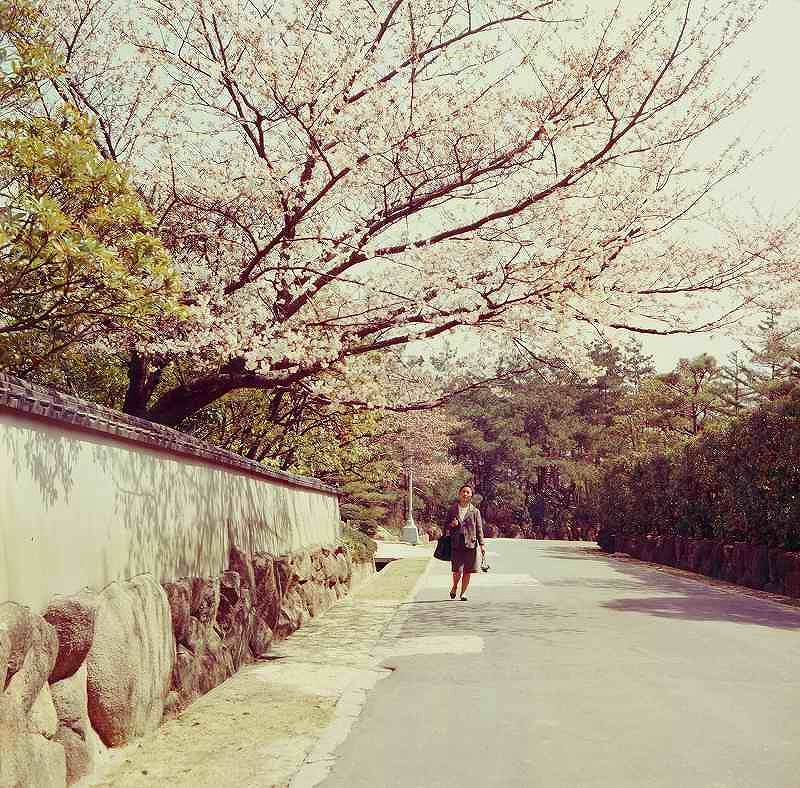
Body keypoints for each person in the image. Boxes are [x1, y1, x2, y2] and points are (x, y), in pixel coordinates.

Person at [443, 483, 485, 601]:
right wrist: (452, 524)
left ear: (471, 496)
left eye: (468, 492)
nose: (465, 494)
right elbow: (445, 526)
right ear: (459, 494)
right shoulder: (452, 510)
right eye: (463, 492)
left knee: (468, 570)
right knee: (457, 570)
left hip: (470, 543)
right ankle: (455, 586)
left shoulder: (475, 511)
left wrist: (482, 545)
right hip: (456, 543)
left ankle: (463, 593)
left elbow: (479, 529)